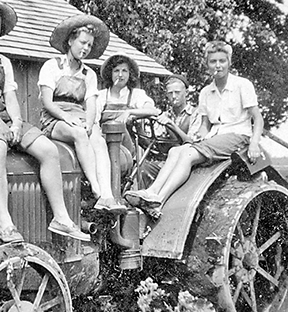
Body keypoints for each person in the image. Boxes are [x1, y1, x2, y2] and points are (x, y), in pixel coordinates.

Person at [0, 0, 90, 244]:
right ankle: (6, 223)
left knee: (48, 149)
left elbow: (10, 97)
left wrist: (16, 122)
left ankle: (61, 218)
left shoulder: (3, 61)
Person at [125, 41, 264, 214]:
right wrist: (200, 136)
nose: (218, 66)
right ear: (207, 64)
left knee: (188, 154)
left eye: (222, 61)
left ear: (229, 62)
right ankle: (152, 192)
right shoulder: (206, 92)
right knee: (176, 151)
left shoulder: (242, 85)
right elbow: (206, 125)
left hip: (238, 136)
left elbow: (257, 118)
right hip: (215, 138)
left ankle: (159, 199)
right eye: (213, 62)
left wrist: (254, 143)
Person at [38, 14, 126, 213]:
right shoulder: (52, 66)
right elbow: (47, 102)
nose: (85, 48)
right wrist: (66, 117)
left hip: (79, 117)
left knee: (98, 139)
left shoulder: (89, 74)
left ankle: (107, 195)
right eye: (83, 43)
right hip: (55, 118)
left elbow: (91, 104)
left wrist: (89, 123)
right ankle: (96, 189)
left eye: (89, 45)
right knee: (78, 133)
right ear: (70, 40)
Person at [96, 53, 161, 151]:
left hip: (128, 147)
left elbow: (153, 111)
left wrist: (129, 112)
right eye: (116, 71)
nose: (120, 75)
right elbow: (94, 122)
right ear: (110, 73)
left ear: (130, 74)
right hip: (104, 144)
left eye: (124, 71)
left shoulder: (136, 94)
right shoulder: (101, 96)